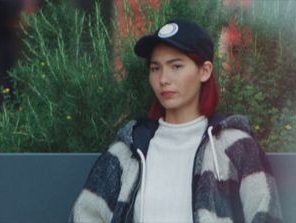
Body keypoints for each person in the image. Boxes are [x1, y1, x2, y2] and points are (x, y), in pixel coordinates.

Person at [70, 19, 283, 223]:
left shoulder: (236, 146)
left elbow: (265, 214)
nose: (164, 79)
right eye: (155, 68)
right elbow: (84, 214)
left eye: (176, 66)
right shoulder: (129, 151)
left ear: (204, 71)